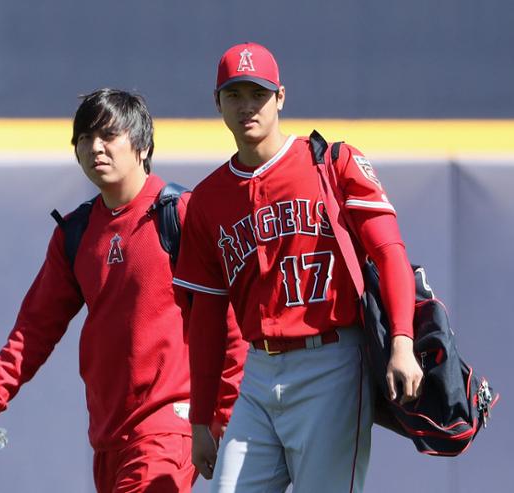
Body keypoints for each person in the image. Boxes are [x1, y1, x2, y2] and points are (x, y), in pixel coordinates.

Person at [0, 88, 246, 493]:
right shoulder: (76, 234)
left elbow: (231, 324)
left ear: (141, 145)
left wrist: (218, 418)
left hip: (167, 430)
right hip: (108, 439)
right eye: (85, 138)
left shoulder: (180, 215)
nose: (95, 148)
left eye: (108, 136)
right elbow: (33, 329)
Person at [173, 43, 424, 492]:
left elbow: (391, 253)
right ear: (217, 103)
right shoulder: (208, 199)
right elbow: (208, 318)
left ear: (281, 98)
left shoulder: (331, 161)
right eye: (234, 94)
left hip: (331, 362)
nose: (247, 106)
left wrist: (402, 342)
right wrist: (201, 419)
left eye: (258, 93)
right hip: (258, 373)